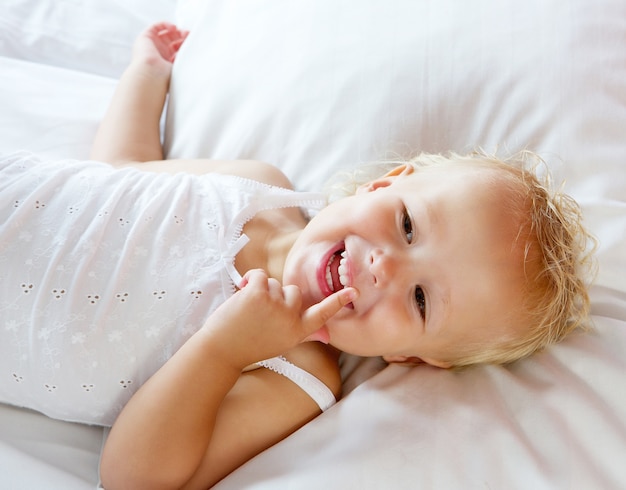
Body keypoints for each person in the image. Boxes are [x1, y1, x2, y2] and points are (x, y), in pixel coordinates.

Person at [0, 22, 594, 489]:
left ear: (410, 356)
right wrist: (146, 75)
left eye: (419, 298)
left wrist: (222, 349)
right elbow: (121, 175)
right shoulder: (259, 189)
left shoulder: (293, 380)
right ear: (384, 184)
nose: (386, 266)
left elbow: (132, 477)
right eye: (408, 226)